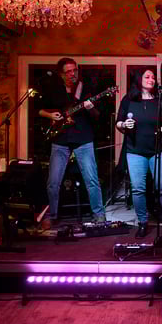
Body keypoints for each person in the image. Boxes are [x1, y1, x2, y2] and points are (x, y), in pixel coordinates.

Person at [38, 57, 106, 227]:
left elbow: (98, 116)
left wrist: (91, 108)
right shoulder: (54, 90)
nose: (72, 74)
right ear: (61, 74)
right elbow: (39, 110)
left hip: (83, 138)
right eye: (68, 71)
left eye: (75, 70)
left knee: (92, 179)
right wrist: (51, 115)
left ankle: (99, 215)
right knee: (53, 182)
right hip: (60, 139)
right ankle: (51, 214)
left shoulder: (86, 88)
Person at [116, 68, 162, 238]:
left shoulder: (161, 100)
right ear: (139, 79)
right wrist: (124, 125)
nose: (151, 79)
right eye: (147, 76)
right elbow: (118, 122)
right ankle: (142, 222)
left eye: (153, 77)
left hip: (157, 149)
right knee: (138, 189)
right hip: (135, 150)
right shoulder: (128, 99)